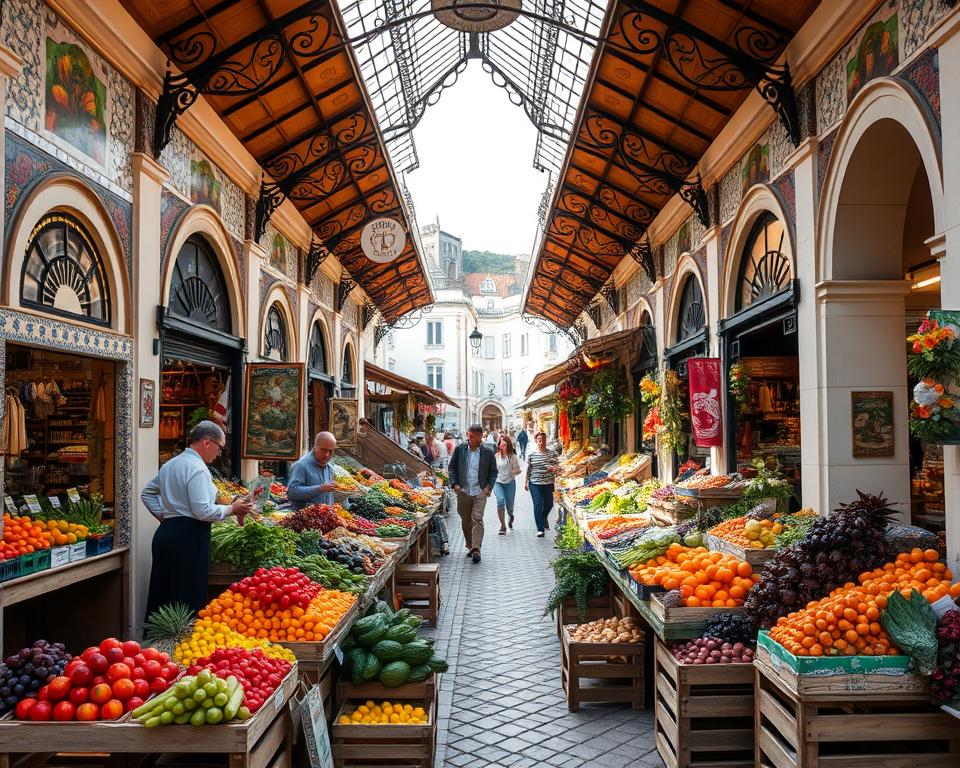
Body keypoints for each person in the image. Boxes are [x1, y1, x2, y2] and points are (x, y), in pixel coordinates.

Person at [141, 421, 254, 618]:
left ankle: (159, 636)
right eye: (220, 447)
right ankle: (183, 636)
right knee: (187, 594)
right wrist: (232, 509)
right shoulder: (198, 469)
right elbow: (202, 511)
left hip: (166, 534)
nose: (220, 454)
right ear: (207, 443)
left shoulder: (170, 464)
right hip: (189, 538)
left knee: (163, 592)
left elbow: (147, 493)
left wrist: (165, 516)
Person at [447, 424, 497, 563]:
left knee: (477, 518)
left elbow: (493, 472)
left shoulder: (488, 452)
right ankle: (469, 545)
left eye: (473, 436)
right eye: (468, 435)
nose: (469, 438)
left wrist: (488, 488)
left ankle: (476, 549)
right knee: (466, 521)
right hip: (463, 491)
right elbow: (451, 469)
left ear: (480, 437)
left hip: (479, 491)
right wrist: (454, 484)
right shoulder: (460, 450)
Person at [287, 431, 340, 510]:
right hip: (305, 516)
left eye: (330, 451)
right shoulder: (301, 465)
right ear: (316, 447)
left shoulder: (330, 466)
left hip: (325, 515)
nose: (327, 454)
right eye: (323, 450)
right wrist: (320, 488)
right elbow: (292, 492)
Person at [525, 430, 561, 537]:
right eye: (539, 439)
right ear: (536, 441)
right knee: (537, 505)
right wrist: (526, 481)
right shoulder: (532, 454)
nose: (542, 441)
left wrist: (554, 469)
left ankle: (544, 516)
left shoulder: (552, 453)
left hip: (548, 483)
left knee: (549, 504)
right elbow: (529, 468)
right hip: (535, 483)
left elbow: (558, 468)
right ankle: (540, 529)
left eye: (544, 439)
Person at [494, 435, 522, 534]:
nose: (502, 444)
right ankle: (503, 526)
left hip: (510, 483)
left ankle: (511, 515)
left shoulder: (512, 457)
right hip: (498, 483)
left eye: (504, 443)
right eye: (501, 443)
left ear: (508, 445)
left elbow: (518, 470)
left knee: (510, 506)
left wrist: (512, 472)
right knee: (500, 501)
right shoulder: (496, 456)